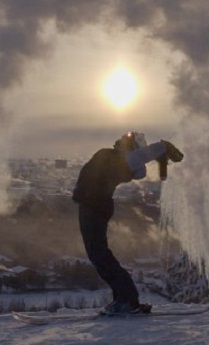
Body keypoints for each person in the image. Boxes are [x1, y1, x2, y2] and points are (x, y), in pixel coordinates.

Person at [71, 131, 184, 315]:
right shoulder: (114, 158)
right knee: (98, 255)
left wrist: (162, 147)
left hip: (95, 207)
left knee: (99, 255)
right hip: (92, 206)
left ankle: (127, 300)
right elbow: (138, 160)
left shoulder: (116, 159)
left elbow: (138, 157)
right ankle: (123, 299)